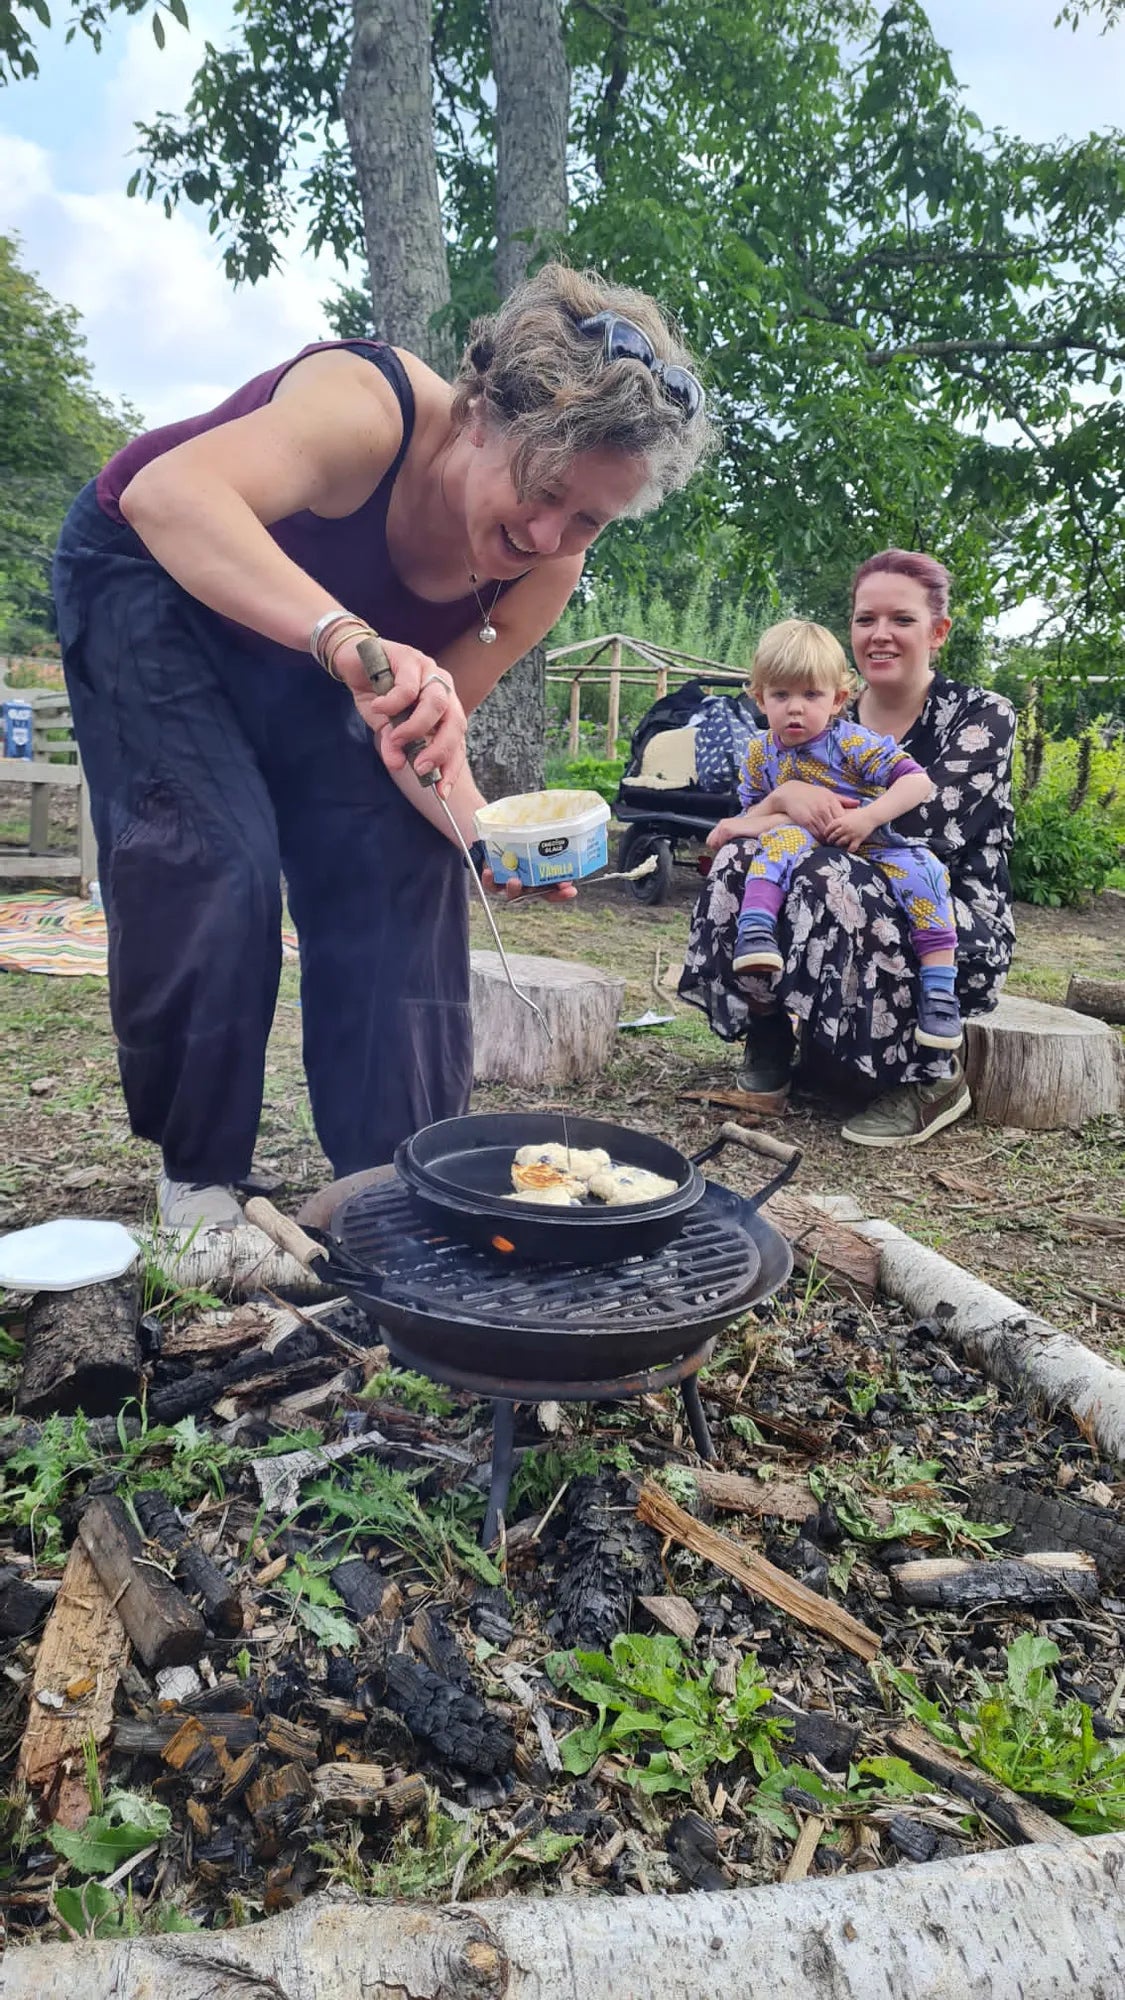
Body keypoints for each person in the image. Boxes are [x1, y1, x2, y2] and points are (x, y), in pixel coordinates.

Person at [53, 264, 713, 1229]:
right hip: (152, 584)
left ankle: (397, 1176)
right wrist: (344, 640)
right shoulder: (368, 407)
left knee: (409, 855)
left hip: (326, 651)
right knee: (215, 854)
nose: (546, 533)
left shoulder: (546, 568)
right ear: (480, 413)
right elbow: (171, 495)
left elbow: (416, 743)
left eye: (588, 520)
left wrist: (487, 839)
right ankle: (199, 1181)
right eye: (542, 488)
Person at [679, 552, 1016, 1146]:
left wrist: (798, 809)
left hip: (938, 902)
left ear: (937, 632)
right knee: (739, 859)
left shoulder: (980, 716)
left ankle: (934, 1077)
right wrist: (788, 794)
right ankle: (770, 1037)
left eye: (901, 620)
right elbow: (757, 808)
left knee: (817, 868)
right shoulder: (818, 712)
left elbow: (931, 824)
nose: (879, 634)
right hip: (835, 875)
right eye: (865, 619)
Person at [716, 618, 962, 1051]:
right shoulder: (759, 753)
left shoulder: (852, 743)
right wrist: (747, 821)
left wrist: (867, 819)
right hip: (799, 842)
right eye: (780, 694)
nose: (795, 707)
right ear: (759, 699)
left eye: (811, 694)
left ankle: (940, 993)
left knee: (927, 874)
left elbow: (917, 782)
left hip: (869, 841)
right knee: (776, 841)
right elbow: (758, 814)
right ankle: (755, 933)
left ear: (837, 700)